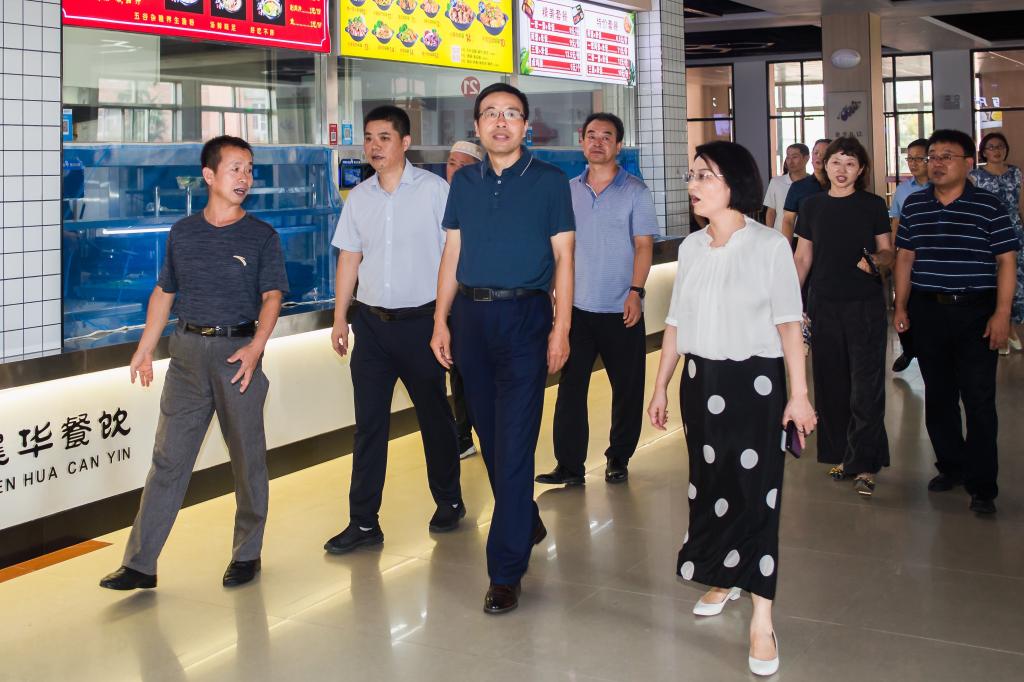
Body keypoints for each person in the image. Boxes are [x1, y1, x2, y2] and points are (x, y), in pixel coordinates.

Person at [647, 141, 816, 677]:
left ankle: (762, 619)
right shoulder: (692, 247)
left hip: (756, 385)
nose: (693, 185)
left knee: (757, 494)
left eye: (705, 175)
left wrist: (799, 394)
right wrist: (661, 386)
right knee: (710, 486)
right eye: (692, 174)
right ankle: (725, 575)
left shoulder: (769, 245)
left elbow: (789, 325)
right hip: (701, 383)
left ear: (735, 183)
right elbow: (675, 322)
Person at [99, 135, 289, 590]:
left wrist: (256, 347)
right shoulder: (183, 232)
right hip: (185, 354)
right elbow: (164, 292)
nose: (245, 178)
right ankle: (140, 564)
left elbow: (272, 297)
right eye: (235, 168)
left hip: (237, 355)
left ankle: (247, 553)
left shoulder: (261, 235)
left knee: (247, 460)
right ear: (209, 175)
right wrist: (146, 347)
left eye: (249, 169)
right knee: (168, 459)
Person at [431, 83, 575, 614]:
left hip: (525, 318)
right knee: (491, 438)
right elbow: (452, 253)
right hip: (471, 319)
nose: (500, 122)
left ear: (525, 126)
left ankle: (505, 571)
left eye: (511, 114)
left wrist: (561, 328)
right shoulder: (464, 182)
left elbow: (565, 258)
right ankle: (526, 519)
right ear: (476, 126)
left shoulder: (549, 181)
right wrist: (440, 319)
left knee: (514, 443)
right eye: (490, 113)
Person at [324, 106, 464, 555]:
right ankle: (363, 522)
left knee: (434, 419)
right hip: (371, 326)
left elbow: (453, 257)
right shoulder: (360, 197)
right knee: (368, 426)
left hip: (422, 324)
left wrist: (443, 320)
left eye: (384, 137)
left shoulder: (434, 191)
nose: (374, 146)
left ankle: (449, 500)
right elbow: (349, 257)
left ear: (405, 143)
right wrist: (340, 316)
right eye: (369, 138)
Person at [894, 129, 1020, 515]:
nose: (936, 163)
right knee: (939, 395)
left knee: (978, 399)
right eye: (932, 156)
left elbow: (1006, 261)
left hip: (976, 312)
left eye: (946, 156)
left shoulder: (988, 206)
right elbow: (905, 258)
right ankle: (951, 466)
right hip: (928, 311)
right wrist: (900, 307)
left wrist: (1002, 314)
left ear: (968, 163)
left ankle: (982, 485)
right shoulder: (915, 205)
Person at [536, 112, 658, 487]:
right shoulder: (567, 190)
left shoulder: (636, 191)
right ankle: (569, 465)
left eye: (606, 136)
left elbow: (644, 246)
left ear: (618, 145)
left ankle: (618, 457)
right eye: (591, 135)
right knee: (571, 389)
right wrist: (553, 291)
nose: (598, 142)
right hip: (576, 310)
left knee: (627, 388)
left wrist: (636, 291)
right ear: (582, 141)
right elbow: (557, 248)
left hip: (622, 308)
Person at [794, 137, 893, 496]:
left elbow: (888, 252)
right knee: (831, 384)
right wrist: (791, 303)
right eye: (836, 162)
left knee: (865, 387)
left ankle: (865, 463)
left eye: (850, 163)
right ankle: (842, 456)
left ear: (861, 169)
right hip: (823, 304)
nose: (842, 169)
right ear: (825, 165)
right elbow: (803, 257)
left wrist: (876, 262)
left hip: (864, 305)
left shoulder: (872, 205)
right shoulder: (811, 205)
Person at [445, 140, 485, 458]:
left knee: (472, 371)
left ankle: (478, 431)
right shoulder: (435, 197)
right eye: (451, 163)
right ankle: (461, 435)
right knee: (455, 371)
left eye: (464, 165)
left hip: (471, 301)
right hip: (440, 302)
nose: (455, 171)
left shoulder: (483, 202)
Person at [969, 132, 1024, 354]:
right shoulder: (975, 176)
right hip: (987, 232)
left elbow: (1020, 205)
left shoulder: (1016, 173)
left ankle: (1009, 328)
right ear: (983, 151)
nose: (996, 150)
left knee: (1016, 281)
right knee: (992, 280)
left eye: (1000, 146)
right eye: (991, 147)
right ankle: (998, 332)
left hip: (1014, 230)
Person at [889, 138, 931, 372]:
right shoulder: (904, 189)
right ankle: (908, 349)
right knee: (902, 302)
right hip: (907, 255)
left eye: (919, 158)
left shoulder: (940, 186)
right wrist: (893, 252)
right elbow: (896, 222)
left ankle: (927, 350)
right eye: (910, 159)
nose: (913, 163)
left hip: (932, 256)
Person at [780, 138, 831, 243]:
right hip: (806, 244)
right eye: (816, 153)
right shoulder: (798, 187)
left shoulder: (840, 186)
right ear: (811, 156)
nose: (819, 156)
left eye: (824, 153)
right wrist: (786, 249)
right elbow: (788, 220)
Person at [763, 143, 809, 232]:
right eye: (788, 157)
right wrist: (770, 234)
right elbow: (771, 212)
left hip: (806, 236)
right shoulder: (776, 182)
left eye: (795, 157)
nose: (790, 161)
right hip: (780, 234)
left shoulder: (813, 183)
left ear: (806, 158)